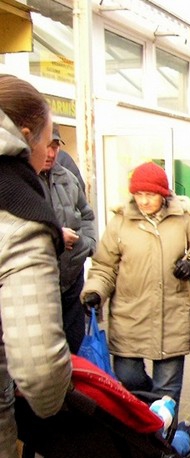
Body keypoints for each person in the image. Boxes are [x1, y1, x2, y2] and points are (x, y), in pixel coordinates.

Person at [0, 74, 72, 458]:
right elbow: (41, 369)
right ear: (24, 136)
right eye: (48, 139)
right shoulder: (17, 208)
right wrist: (55, 413)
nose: (52, 151)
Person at [81, 162, 190, 406]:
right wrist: (95, 291)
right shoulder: (120, 223)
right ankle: (149, 410)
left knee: (167, 390)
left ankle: (164, 439)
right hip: (130, 316)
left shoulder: (183, 220)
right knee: (128, 377)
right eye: (139, 194)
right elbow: (105, 266)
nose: (144, 201)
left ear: (164, 195)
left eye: (151, 195)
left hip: (172, 315)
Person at [39, 123, 97, 353]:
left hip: (71, 281)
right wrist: (55, 235)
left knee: (73, 346)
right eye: (46, 147)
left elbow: (86, 214)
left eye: (55, 147)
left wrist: (87, 245)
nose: (51, 154)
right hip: (41, 285)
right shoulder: (19, 183)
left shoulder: (68, 178)